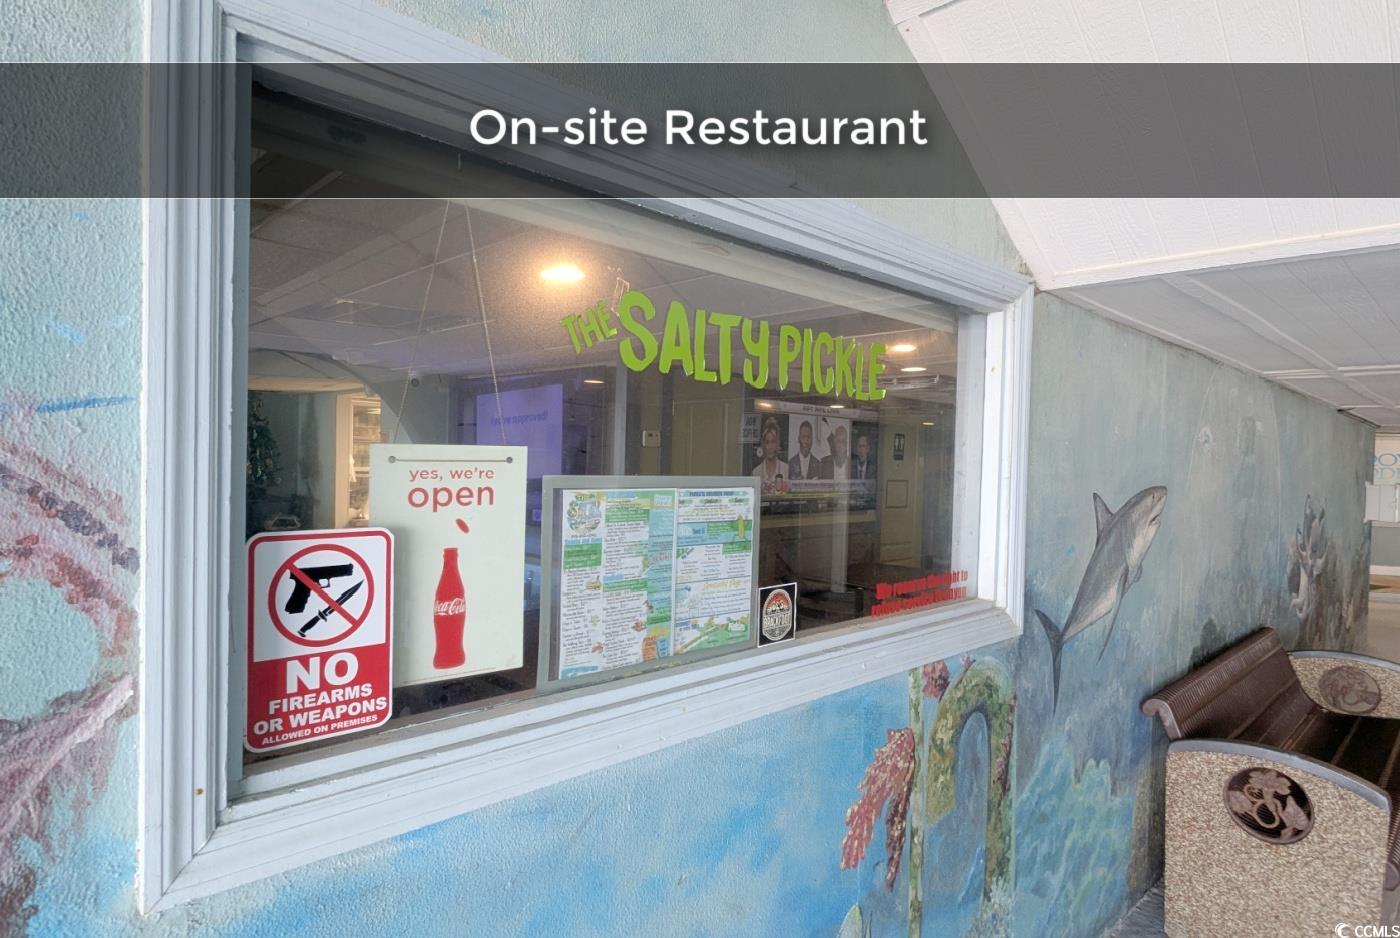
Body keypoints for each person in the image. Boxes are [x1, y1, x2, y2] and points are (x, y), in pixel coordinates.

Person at [750, 423, 786, 494]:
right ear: (763, 445)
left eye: (773, 442)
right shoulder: (756, 472)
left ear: (777, 444)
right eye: (767, 442)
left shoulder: (786, 469)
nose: (770, 447)